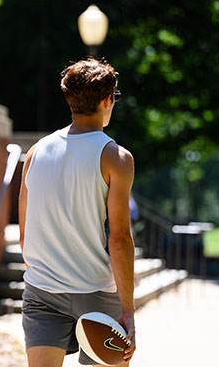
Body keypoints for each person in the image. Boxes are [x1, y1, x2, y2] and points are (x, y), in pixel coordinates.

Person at [18, 58, 136, 367]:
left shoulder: (35, 152)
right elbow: (120, 238)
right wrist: (129, 311)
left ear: (69, 98)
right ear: (108, 100)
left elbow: (24, 234)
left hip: (41, 290)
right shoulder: (117, 157)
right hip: (96, 290)